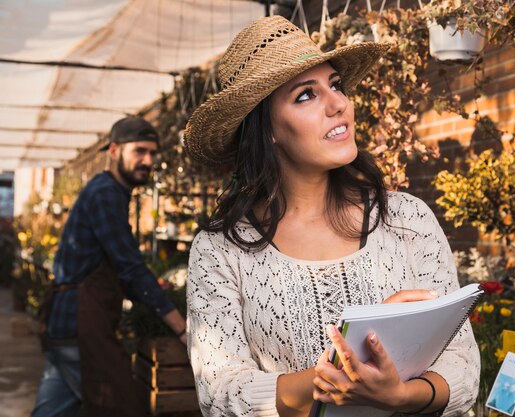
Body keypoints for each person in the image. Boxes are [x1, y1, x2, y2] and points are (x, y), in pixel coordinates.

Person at [184, 15, 480, 417]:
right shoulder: (219, 249)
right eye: (306, 94)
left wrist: (401, 397)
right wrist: (342, 369)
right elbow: (220, 393)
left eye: (336, 85)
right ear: (266, 128)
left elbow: (462, 364)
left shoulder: (407, 219)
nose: (339, 104)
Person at [31, 116, 188, 417]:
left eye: (153, 153)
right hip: (79, 324)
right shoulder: (105, 193)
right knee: (120, 406)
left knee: (52, 410)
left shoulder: (110, 191)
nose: (147, 160)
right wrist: (181, 328)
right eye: (139, 151)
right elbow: (130, 268)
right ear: (114, 151)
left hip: (66, 324)